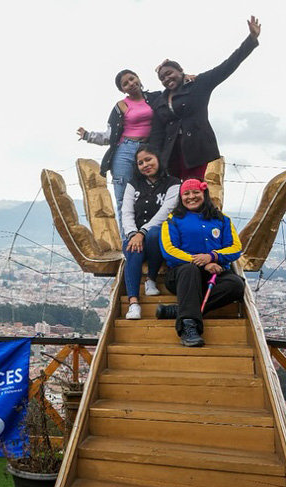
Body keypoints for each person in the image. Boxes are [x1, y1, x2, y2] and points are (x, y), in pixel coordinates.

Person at [149, 16, 261, 181]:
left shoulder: (198, 85)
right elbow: (157, 135)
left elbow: (227, 66)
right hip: (171, 157)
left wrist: (251, 39)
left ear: (180, 71)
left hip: (197, 151)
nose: (167, 79)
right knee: (173, 195)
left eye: (169, 73)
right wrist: (154, 160)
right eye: (162, 78)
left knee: (194, 191)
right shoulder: (160, 102)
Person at [157, 179, 244, 347]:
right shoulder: (173, 220)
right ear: (181, 197)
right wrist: (202, 262)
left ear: (204, 193)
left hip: (215, 274)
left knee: (236, 285)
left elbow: (235, 247)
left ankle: (181, 310)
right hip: (182, 275)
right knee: (190, 270)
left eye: (195, 192)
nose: (191, 197)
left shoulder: (222, 219)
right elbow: (169, 250)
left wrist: (213, 256)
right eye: (186, 194)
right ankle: (188, 327)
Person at [77, 70, 162, 233]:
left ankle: (149, 240)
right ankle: (128, 245)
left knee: (151, 198)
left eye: (132, 78)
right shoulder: (120, 106)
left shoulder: (154, 98)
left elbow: (174, 92)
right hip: (125, 151)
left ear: (138, 78)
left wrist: (186, 77)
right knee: (124, 199)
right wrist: (88, 136)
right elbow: (110, 135)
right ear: (122, 90)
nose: (131, 83)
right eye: (125, 83)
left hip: (149, 152)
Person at [121, 145, 180, 319]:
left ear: (158, 159)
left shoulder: (174, 184)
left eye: (148, 159)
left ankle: (151, 279)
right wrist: (133, 234)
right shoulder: (133, 184)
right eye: (140, 162)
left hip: (157, 239)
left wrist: (143, 233)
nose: (145, 165)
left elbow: (166, 212)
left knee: (155, 233)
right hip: (135, 236)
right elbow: (127, 212)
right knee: (133, 249)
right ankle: (133, 303)